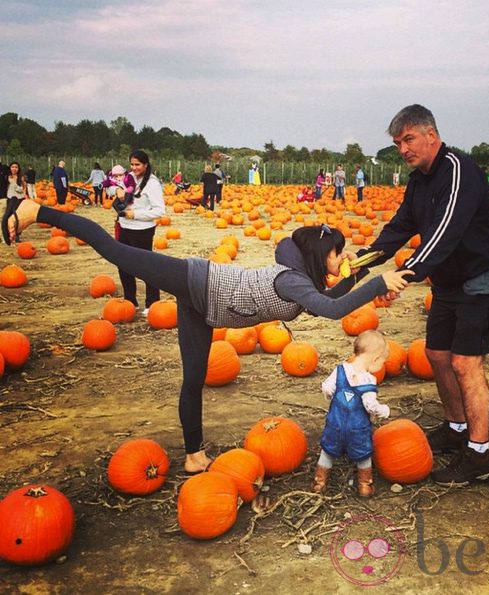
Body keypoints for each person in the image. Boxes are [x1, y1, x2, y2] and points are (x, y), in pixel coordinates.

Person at [4, 202, 409, 475]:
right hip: (195, 279)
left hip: (204, 306)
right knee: (113, 250)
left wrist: (360, 276)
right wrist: (375, 285)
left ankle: (195, 456)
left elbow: (328, 300)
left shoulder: (302, 282)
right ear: (320, 256)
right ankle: (37, 210)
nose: (340, 260)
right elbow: (334, 310)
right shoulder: (292, 282)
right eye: (337, 254)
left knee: (194, 377)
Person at [359, 104, 489, 486]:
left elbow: (444, 233)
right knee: (436, 354)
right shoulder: (419, 180)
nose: (403, 148)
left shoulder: (459, 171)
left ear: (431, 134)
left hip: (484, 274)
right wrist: (362, 261)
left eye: (408, 139)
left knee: (465, 362)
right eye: (398, 143)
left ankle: (481, 457)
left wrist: (402, 275)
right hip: (450, 277)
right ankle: (456, 427)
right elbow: (401, 225)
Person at [312, 330, 390, 498]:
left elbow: (327, 387)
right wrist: (384, 411)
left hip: (335, 424)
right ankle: (364, 486)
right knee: (363, 454)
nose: (382, 366)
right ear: (375, 359)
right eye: (383, 362)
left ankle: (319, 483)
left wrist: (331, 398)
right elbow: (371, 406)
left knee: (327, 451)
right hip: (357, 428)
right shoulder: (368, 380)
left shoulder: (340, 370)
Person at [114, 150, 165, 315]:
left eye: (137, 165)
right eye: (132, 164)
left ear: (145, 165)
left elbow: (159, 211)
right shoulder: (128, 177)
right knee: (123, 265)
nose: (134, 168)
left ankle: (152, 302)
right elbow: (113, 188)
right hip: (124, 227)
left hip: (142, 230)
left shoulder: (152, 183)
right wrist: (117, 193)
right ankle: (130, 301)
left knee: (146, 267)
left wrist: (136, 214)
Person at [1, 162, 29, 243]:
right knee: (7, 217)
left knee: (17, 218)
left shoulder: (21, 178)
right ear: (10, 168)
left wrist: (14, 182)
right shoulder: (6, 177)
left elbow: (23, 189)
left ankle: (17, 234)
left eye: (16, 167)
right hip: (10, 198)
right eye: (12, 167)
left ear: (18, 169)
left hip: (19, 199)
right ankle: (7, 235)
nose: (14, 169)